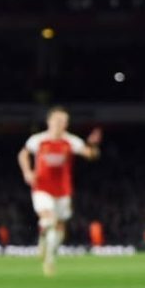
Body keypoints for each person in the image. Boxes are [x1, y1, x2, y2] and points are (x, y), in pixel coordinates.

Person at [17, 106, 101, 276]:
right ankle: (48, 259)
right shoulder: (38, 140)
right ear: (49, 121)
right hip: (42, 187)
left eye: (64, 121)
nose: (60, 124)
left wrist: (93, 144)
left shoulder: (71, 141)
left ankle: (45, 244)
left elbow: (91, 155)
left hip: (63, 191)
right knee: (50, 218)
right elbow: (23, 154)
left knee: (60, 226)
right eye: (57, 120)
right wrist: (27, 172)